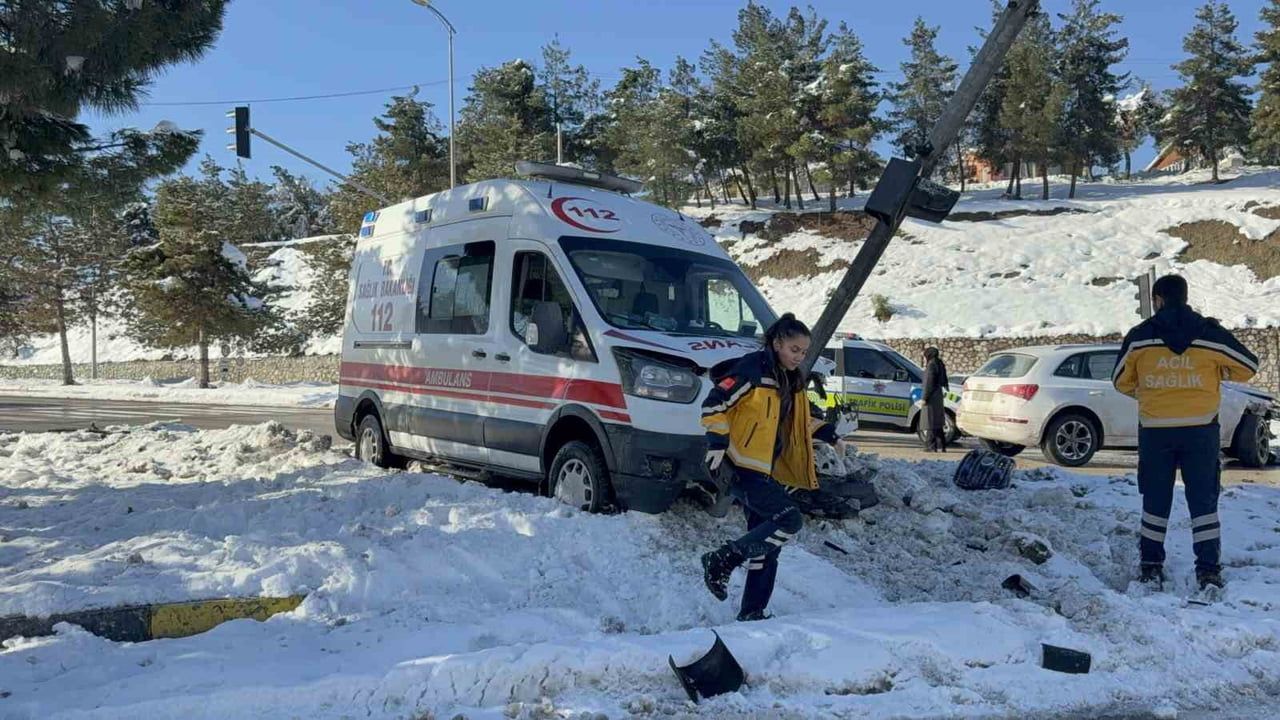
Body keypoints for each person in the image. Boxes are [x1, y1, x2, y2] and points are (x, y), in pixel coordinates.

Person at [1112, 274, 1258, 591]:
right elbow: (1249, 365)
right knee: (1203, 503)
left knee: (1155, 500)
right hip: (1201, 431)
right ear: (1185, 297)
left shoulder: (1140, 336)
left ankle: (1151, 568)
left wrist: (1151, 392)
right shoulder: (1208, 333)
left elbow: (1120, 380)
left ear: (1158, 300)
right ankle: (1208, 571)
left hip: (1155, 432)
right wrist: (1216, 370)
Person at [698, 313, 839, 621]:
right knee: (788, 520)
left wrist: (823, 430)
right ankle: (722, 560)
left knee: (766, 545)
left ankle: (752, 612)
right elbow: (713, 403)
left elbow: (791, 421)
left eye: (803, 352)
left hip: (765, 468)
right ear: (777, 343)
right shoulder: (752, 369)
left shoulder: (788, 379)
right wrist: (718, 442)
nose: (799, 357)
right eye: (794, 349)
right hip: (737, 463)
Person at [919, 347, 950, 452]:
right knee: (937, 422)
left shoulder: (931, 365)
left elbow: (928, 382)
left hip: (931, 397)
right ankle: (942, 445)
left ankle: (931, 446)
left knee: (930, 422)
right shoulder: (939, 363)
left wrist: (924, 398)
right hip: (938, 395)